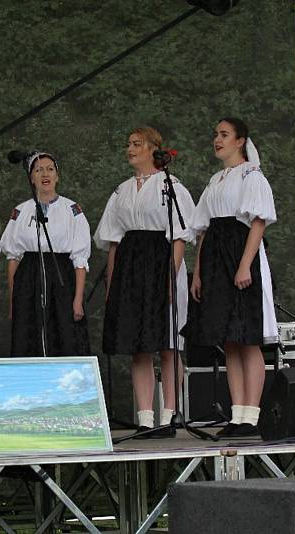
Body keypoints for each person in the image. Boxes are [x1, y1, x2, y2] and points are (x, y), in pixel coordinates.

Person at [94, 128, 194, 438]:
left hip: (159, 262)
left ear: (154, 148)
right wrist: (112, 283)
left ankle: (169, 414)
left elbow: (180, 236)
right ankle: (145, 418)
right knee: (138, 345)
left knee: (166, 341)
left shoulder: (171, 186)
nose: (130, 149)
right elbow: (113, 240)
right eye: (128, 144)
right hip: (130, 266)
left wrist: (169, 275)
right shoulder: (121, 190)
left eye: (137, 144)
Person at [181, 118, 277, 438]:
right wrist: (199, 275)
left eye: (224, 135)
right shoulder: (215, 180)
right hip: (216, 258)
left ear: (240, 140)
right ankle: (237, 414)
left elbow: (258, 223)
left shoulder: (252, 175)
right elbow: (203, 228)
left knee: (247, 336)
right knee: (229, 339)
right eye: (215, 134)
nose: (217, 140)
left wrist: (244, 265)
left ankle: (252, 414)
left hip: (240, 251)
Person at [1, 152, 91, 356]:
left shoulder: (72, 210)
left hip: (60, 275)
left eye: (50, 169)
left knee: (64, 335)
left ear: (57, 176)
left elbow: (80, 259)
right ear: (31, 177)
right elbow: (13, 258)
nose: (45, 174)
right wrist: (13, 300)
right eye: (38, 169)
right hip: (28, 276)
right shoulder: (21, 211)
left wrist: (77, 299)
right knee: (28, 336)